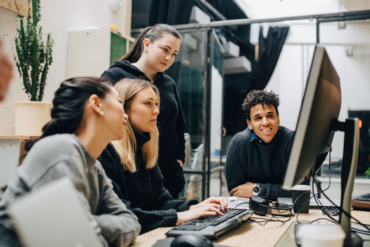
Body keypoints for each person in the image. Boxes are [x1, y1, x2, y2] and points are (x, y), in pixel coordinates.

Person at [0, 77, 141, 247]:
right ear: (96, 103)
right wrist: (85, 226)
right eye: (119, 102)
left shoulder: (95, 167)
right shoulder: (62, 148)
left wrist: (86, 222)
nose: (125, 115)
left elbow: (131, 223)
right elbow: (76, 242)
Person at [98, 78, 228, 234]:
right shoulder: (105, 151)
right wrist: (178, 216)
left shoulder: (145, 151)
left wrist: (194, 207)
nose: (157, 110)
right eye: (148, 103)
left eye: (157, 104)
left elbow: (162, 202)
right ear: (124, 109)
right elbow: (121, 213)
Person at [101, 24, 186, 199]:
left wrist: (179, 159)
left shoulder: (169, 83)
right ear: (147, 44)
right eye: (165, 50)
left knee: (171, 217)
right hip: (132, 167)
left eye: (174, 54)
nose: (169, 58)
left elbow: (178, 124)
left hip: (168, 169)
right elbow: (102, 119)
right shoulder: (115, 76)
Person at [225, 90, 294, 201]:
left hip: (287, 210)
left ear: (278, 119)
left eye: (270, 116)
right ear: (250, 124)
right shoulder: (239, 142)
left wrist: (256, 189)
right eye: (258, 118)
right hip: (249, 209)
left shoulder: (291, 140)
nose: (265, 122)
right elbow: (236, 191)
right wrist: (279, 190)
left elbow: (299, 191)